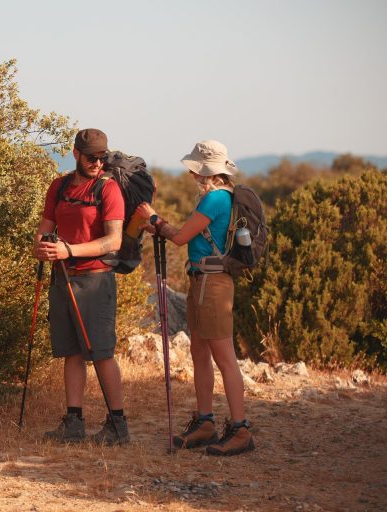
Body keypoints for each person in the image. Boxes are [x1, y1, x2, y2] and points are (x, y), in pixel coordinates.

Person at [135, 139, 255, 456]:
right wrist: (158, 225)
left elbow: (180, 237)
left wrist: (156, 219)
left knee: (224, 358)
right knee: (200, 351)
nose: (191, 175)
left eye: (195, 170)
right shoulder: (221, 197)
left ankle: (240, 429)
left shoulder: (214, 199)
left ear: (206, 172)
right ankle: (205, 423)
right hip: (204, 282)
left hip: (212, 285)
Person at [33, 128, 130, 445]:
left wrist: (70, 250)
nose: (97, 163)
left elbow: (113, 241)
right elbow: (46, 226)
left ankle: (118, 426)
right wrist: (42, 247)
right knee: (71, 351)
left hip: (95, 279)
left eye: (102, 158)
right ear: (76, 154)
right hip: (63, 277)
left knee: (101, 352)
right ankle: (73, 422)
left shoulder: (108, 189)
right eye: (91, 158)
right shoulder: (59, 186)